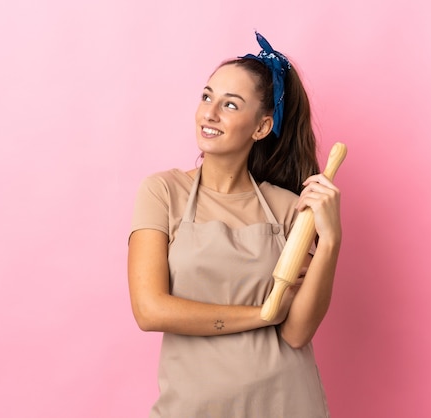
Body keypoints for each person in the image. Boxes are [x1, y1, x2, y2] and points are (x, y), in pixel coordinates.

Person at [128, 32, 342, 417]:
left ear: (261, 127)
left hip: (285, 403)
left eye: (230, 104)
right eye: (207, 97)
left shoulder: (290, 210)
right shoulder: (163, 192)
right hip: (193, 408)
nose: (209, 113)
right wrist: (260, 315)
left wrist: (330, 242)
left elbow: (296, 333)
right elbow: (150, 310)